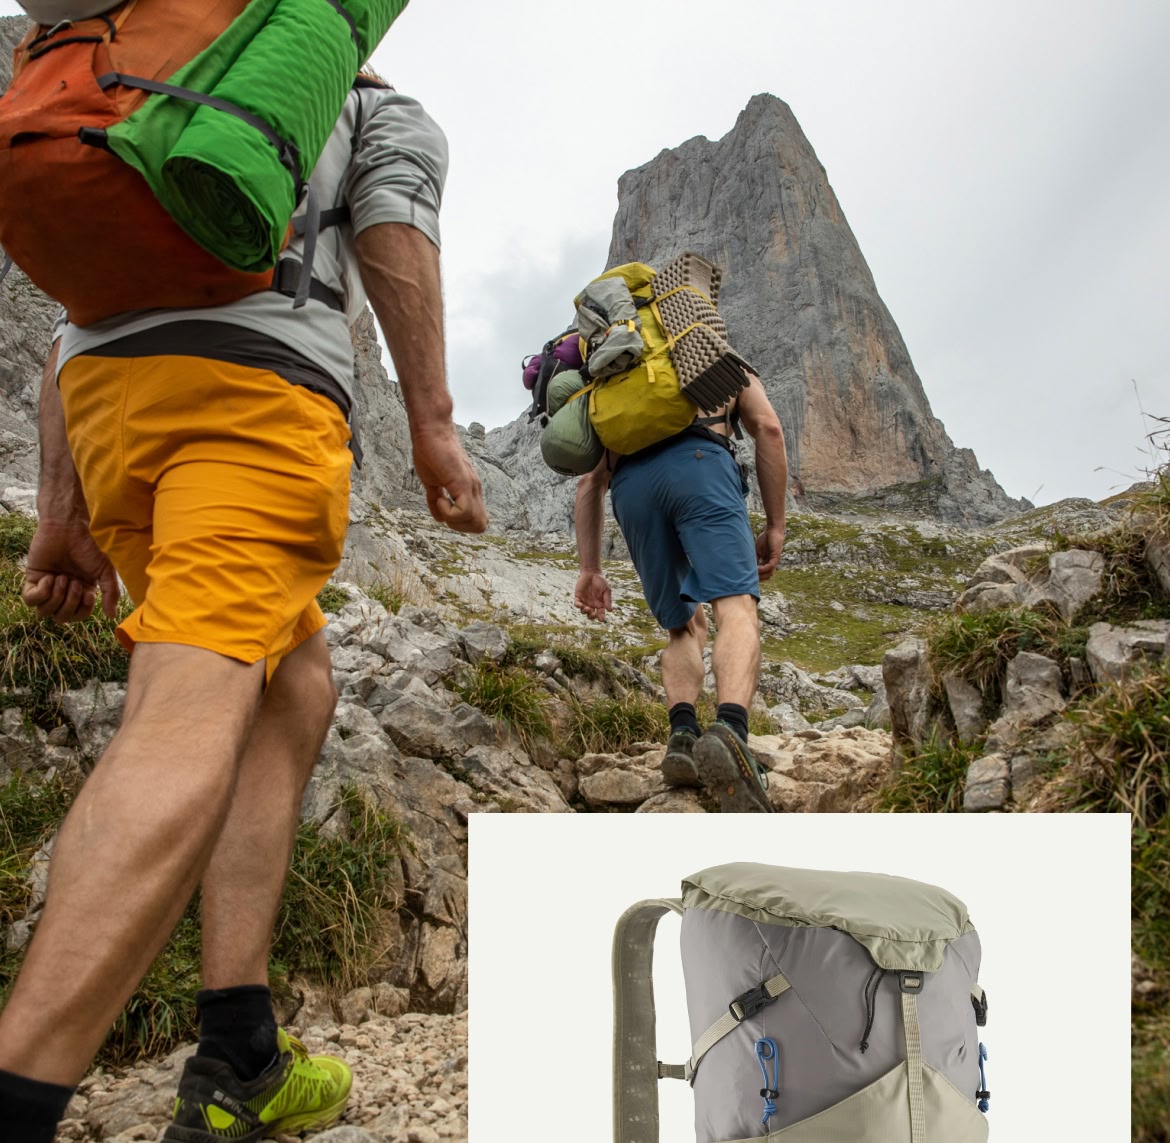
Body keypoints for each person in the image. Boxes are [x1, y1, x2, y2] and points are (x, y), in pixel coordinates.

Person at [0, 70, 486, 1143]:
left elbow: (72, 312)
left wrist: (62, 507)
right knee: (187, 709)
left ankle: (240, 1051)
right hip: (250, 403)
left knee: (293, 687)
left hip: (109, 412)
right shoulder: (352, 91)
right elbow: (396, 230)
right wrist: (434, 424)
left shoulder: (142, 64)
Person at [573, 372, 787, 813]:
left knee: (683, 626)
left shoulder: (615, 373)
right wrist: (776, 524)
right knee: (736, 607)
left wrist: (590, 569)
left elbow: (589, 483)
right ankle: (731, 731)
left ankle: (683, 733)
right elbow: (768, 427)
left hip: (631, 489)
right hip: (700, 463)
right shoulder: (712, 352)